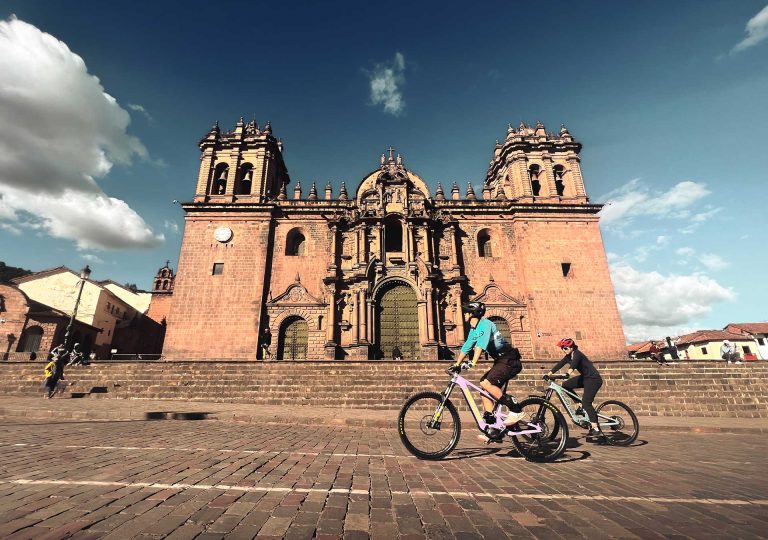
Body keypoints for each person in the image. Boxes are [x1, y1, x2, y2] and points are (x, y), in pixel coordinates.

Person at [450, 301, 525, 441]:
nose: (464, 315)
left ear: (473, 314)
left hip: (509, 359)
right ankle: (493, 429)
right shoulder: (473, 330)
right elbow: (466, 347)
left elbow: (480, 345)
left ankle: (515, 409)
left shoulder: (485, 324)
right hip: (500, 361)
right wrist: (456, 364)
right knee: (484, 390)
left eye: (466, 312)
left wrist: (473, 362)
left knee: (486, 382)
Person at [547, 338, 605, 443]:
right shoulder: (568, 356)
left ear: (572, 347)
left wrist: (568, 373)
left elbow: (573, 365)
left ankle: (596, 429)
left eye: (565, 348)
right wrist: (548, 374)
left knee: (587, 403)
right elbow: (559, 364)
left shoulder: (577, 354)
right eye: (562, 348)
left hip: (593, 379)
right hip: (585, 378)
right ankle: (579, 404)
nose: (563, 350)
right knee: (565, 385)